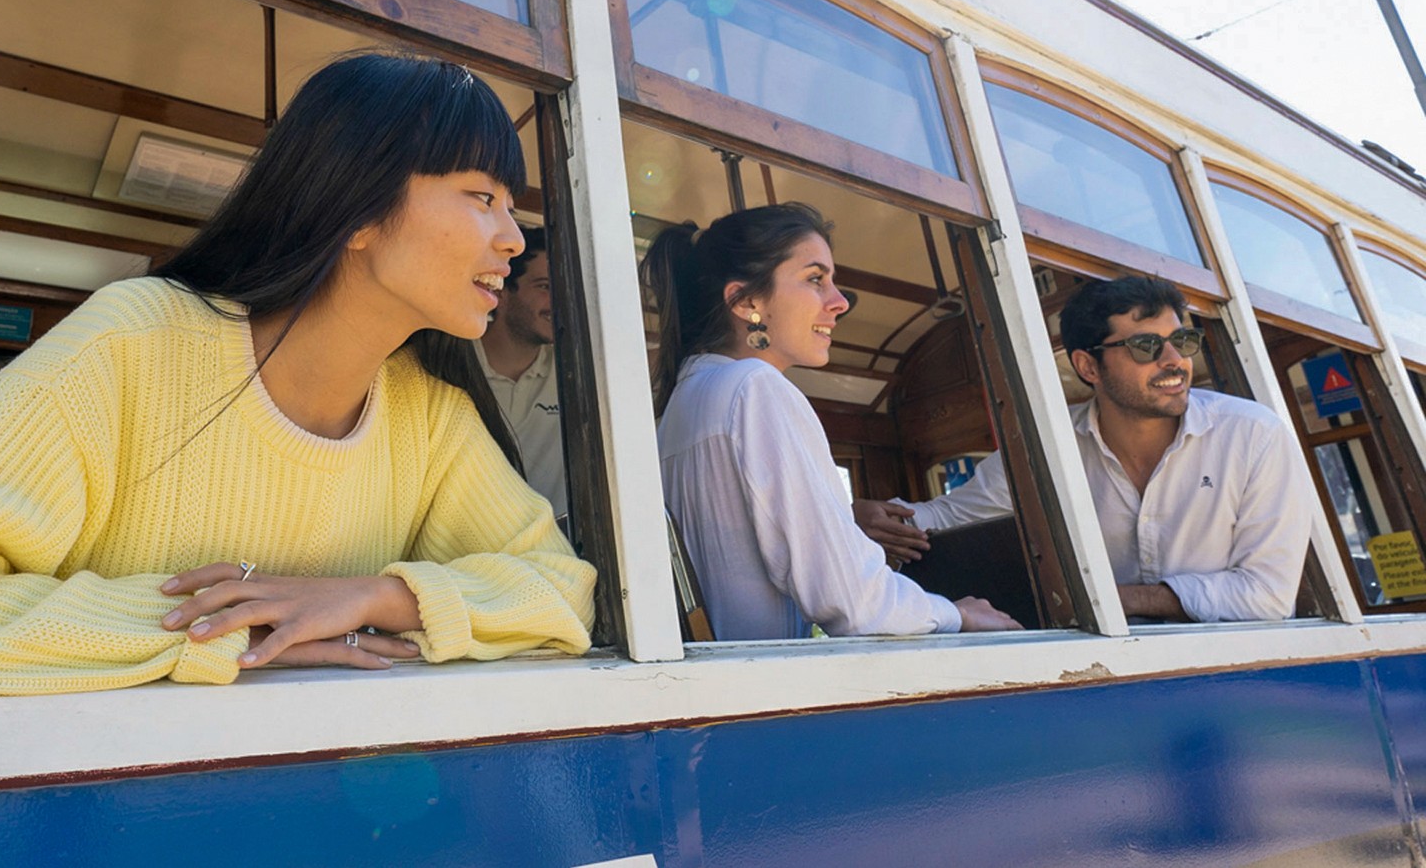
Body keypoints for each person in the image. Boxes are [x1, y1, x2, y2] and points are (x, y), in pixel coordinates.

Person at [0, 54, 596, 695]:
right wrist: (221, 628)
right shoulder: (134, 340)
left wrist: (372, 596)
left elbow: (564, 590)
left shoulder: (430, 418)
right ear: (358, 209)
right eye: (482, 197)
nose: (511, 239)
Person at [642, 202, 1020, 641]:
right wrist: (957, 613)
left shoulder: (683, 401)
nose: (839, 303)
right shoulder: (754, 387)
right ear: (747, 303)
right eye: (815, 279)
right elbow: (854, 602)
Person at [864, 275, 1312, 623]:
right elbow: (945, 519)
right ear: (1088, 366)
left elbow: (1268, 595)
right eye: (1145, 346)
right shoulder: (1048, 451)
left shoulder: (1253, 435)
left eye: (1182, 342)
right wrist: (860, 517)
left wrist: (1110, 598)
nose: (1174, 360)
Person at [474, 226, 567, 520]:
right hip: (461, 556)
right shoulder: (451, 365)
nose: (559, 302)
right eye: (544, 287)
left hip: (550, 554)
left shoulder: (576, 370)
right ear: (501, 293)